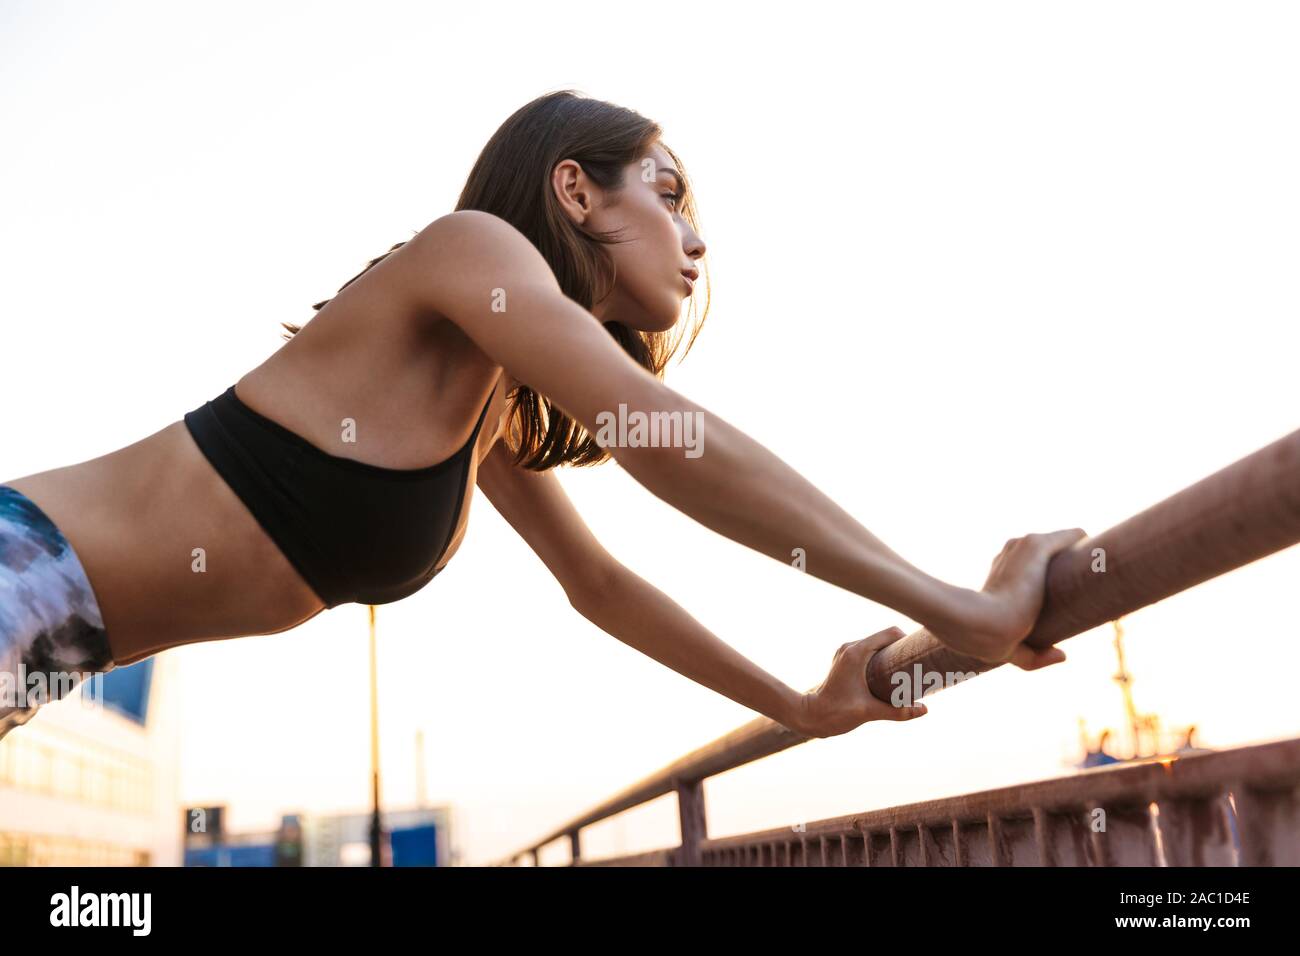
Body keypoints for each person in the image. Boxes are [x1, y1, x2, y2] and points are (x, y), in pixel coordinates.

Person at [0, 90, 1084, 743]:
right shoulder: (466, 249)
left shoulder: (487, 410)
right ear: (574, 191)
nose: (696, 241)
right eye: (667, 194)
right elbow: (671, 438)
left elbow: (601, 586)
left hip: (42, 653)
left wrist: (797, 703)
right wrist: (958, 606)